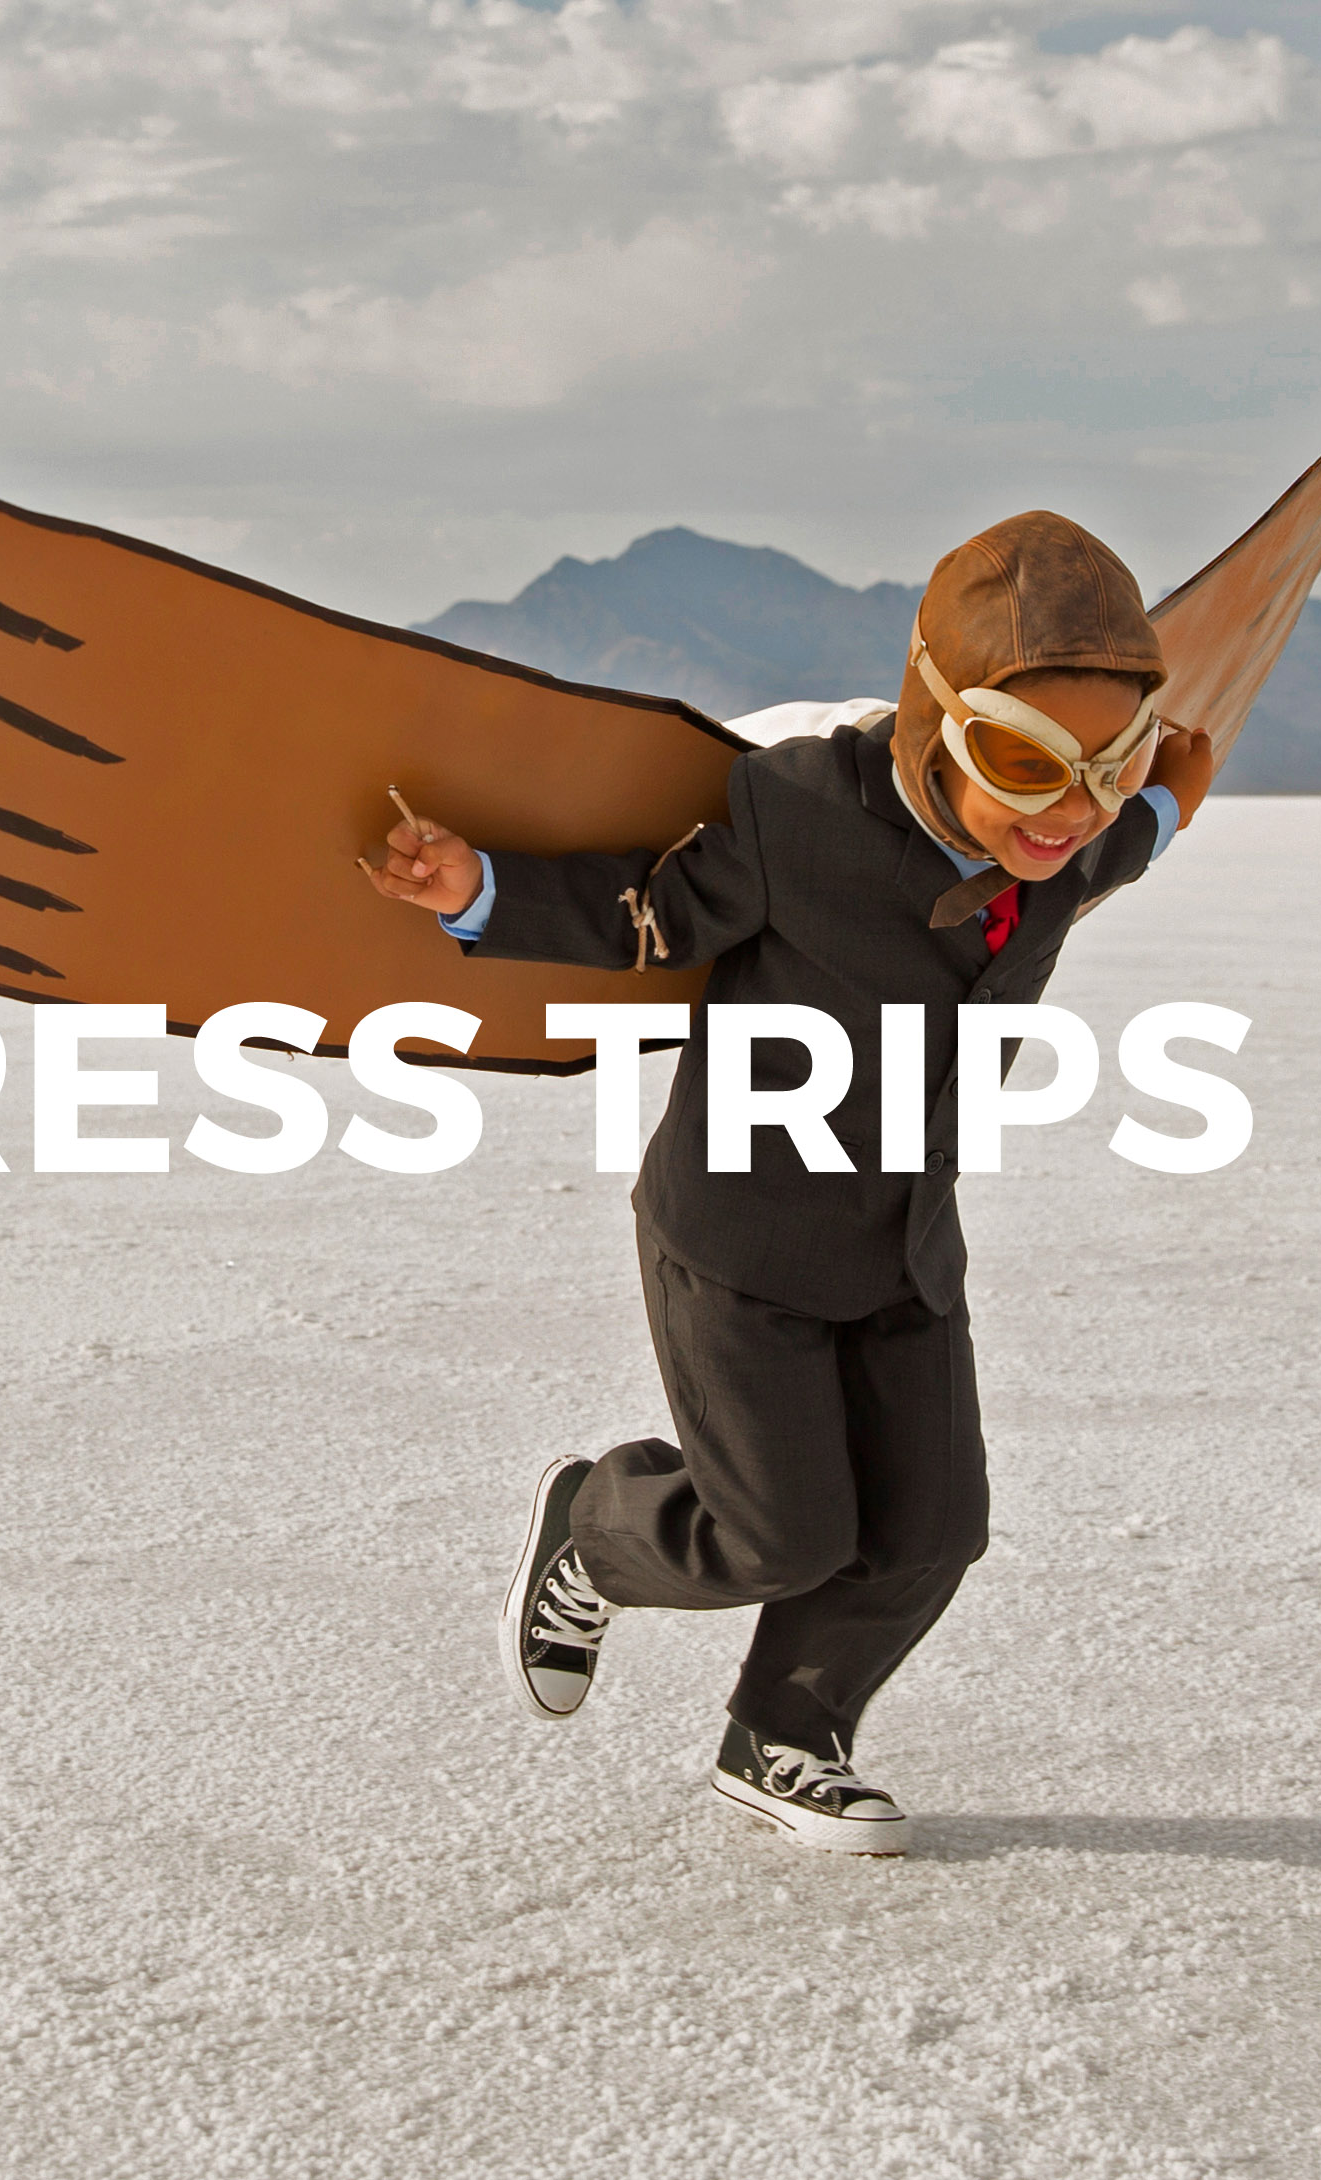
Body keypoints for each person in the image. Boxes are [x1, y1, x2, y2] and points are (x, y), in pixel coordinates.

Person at [356, 510, 1219, 1854]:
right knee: (778, 1538)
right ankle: (596, 1522)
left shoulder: (1068, 844)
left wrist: (1166, 796)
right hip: (743, 1241)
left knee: (932, 1531)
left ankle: (786, 1734)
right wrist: (478, 888)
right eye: (1024, 762)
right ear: (940, 724)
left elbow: (1116, 834)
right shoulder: (799, 810)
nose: (1069, 808)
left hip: (904, 1245)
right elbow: (646, 918)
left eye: (1110, 765)